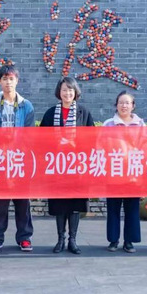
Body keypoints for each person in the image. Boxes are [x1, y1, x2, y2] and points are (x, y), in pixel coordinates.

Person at [0, 65, 36, 253]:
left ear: (17, 81)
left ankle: (25, 238)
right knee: (0, 204)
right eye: (4, 79)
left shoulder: (26, 106)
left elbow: (29, 135)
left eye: (11, 79)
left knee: (23, 203)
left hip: (20, 160)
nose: (8, 82)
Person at [40, 76, 94, 255]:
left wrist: (76, 144)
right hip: (57, 167)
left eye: (70, 90)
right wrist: (56, 145)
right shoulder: (50, 113)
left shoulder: (84, 113)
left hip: (77, 167)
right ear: (59, 92)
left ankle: (73, 240)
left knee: (75, 205)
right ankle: (60, 239)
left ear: (75, 92)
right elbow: (40, 138)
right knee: (60, 204)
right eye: (64, 90)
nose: (67, 93)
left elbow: (92, 138)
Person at [102, 91, 146, 253]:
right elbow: (101, 146)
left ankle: (129, 241)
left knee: (132, 209)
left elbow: (146, 147)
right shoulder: (109, 124)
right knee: (113, 209)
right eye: (121, 102)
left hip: (133, 174)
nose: (124, 106)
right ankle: (113, 240)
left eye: (127, 103)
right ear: (116, 105)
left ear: (133, 106)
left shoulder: (140, 124)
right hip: (114, 173)